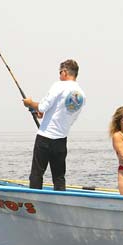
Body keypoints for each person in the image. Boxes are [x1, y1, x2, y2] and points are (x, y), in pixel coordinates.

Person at [23, 59, 86, 190]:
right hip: (61, 140)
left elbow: (42, 106)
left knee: (37, 174)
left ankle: (34, 202)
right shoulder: (81, 95)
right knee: (59, 177)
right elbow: (65, 114)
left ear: (64, 72)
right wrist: (43, 114)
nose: (59, 76)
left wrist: (29, 103)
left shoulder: (59, 85)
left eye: (60, 72)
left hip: (45, 137)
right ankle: (60, 201)